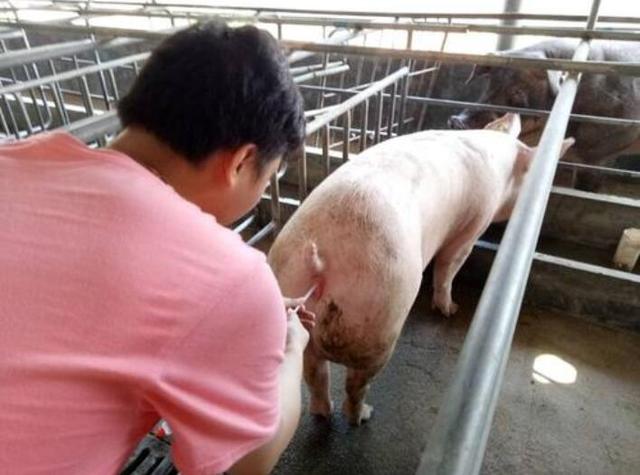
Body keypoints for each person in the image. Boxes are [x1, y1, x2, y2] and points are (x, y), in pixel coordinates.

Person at [0, 21, 312, 474]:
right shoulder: (231, 274)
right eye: (269, 177)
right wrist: (292, 351)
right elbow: (247, 464)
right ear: (242, 162)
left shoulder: (14, 159)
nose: (263, 192)